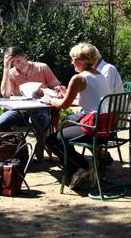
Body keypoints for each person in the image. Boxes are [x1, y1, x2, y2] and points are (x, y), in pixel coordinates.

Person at [41, 42, 110, 190]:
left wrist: (49, 99)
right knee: (66, 125)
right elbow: (88, 97)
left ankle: (82, 168)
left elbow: (64, 105)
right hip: (107, 125)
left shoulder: (78, 78)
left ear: (84, 60)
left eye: (74, 58)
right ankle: (88, 166)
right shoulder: (99, 75)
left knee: (52, 141)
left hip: (93, 127)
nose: (71, 62)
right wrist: (66, 94)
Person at [0, 46, 61, 161]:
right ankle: (21, 146)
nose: (18, 64)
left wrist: (47, 92)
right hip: (20, 110)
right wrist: (6, 68)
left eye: (19, 60)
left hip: (40, 107)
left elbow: (57, 87)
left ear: (25, 57)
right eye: (13, 62)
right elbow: (6, 94)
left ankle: (39, 148)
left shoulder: (41, 67)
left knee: (40, 121)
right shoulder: (11, 73)